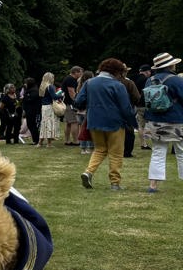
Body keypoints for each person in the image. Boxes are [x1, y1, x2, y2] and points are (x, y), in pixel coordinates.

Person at [76, 59, 137, 191]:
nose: (121, 76)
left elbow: (79, 101)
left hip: (94, 122)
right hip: (115, 123)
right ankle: (115, 183)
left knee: (99, 149)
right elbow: (126, 108)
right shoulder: (118, 85)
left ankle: (88, 172)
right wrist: (133, 123)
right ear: (116, 72)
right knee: (116, 153)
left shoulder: (89, 82)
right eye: (121, 73)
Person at [143, 51, 183, 194]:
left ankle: (153, 185)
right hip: (176, 120)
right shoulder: (176, 80)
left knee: (158, 152)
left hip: (154, 121)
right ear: (171, 65)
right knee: (181, 153)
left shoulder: (150, 80)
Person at [60, 65, 83, 146]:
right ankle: (76, 141)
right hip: (70, 104)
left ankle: (67, 140)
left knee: (68, 123)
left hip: (66, 103)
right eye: (80, 72)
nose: (81, 74)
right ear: (75, 72)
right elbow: (71, 92)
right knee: (74, 122)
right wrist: (76, 102)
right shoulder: (71, 79)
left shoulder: (68, 78)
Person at [38, 72, 60, 147]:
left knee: (44, 124)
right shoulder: (50, 86)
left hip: (43, 107)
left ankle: (40, 143)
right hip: (49, 107)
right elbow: (54, 96)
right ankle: (49, 143)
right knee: (49, 124)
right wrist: (61, 94)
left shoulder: (42, 86)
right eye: (53, 78)